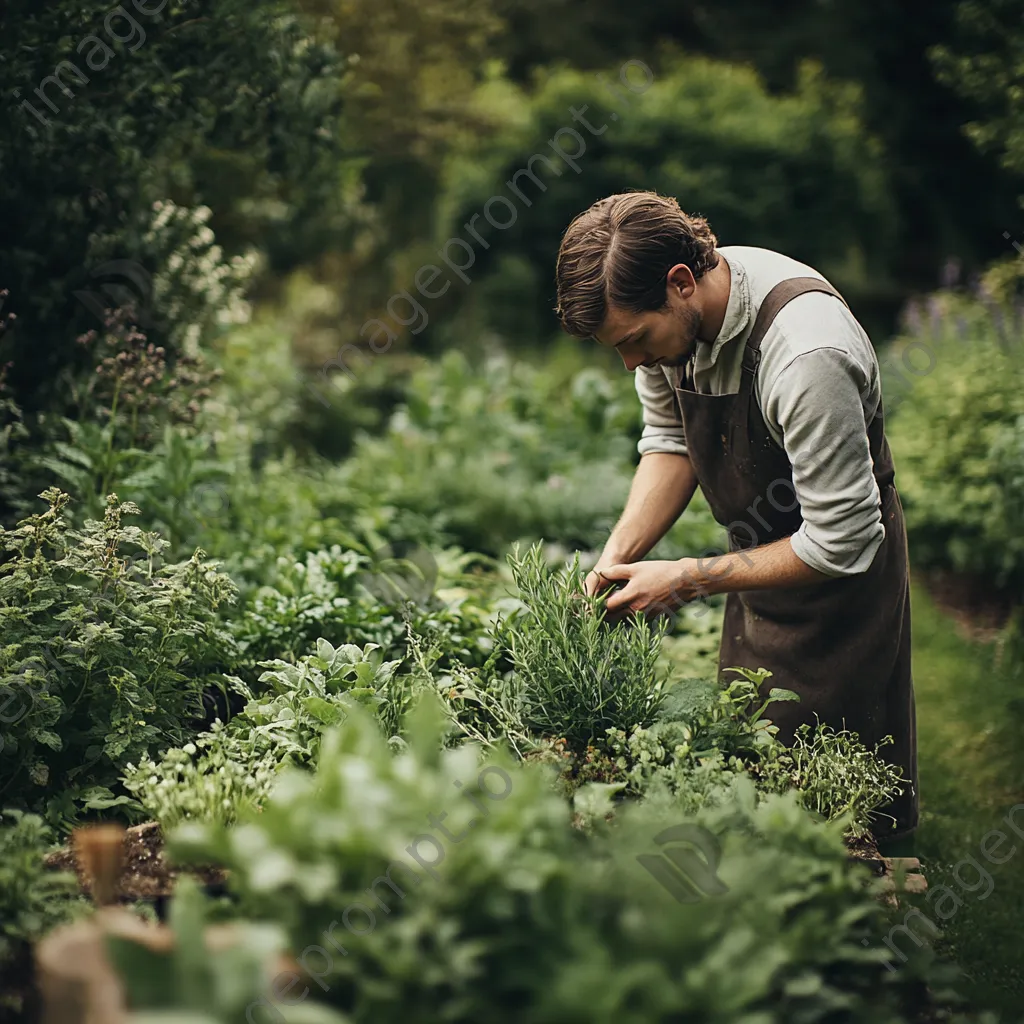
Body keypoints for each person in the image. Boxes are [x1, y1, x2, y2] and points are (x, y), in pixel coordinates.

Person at [555, 190, 917, 849]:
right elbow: (669, 441)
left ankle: (866, 904)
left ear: (681, 282)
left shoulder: (808, 357)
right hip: (760, 555)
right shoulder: (673, 331)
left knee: (842, 784)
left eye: (634, 340)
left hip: (843, 570)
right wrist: (619, 556)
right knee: (757, 752)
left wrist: (688, 577)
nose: (632, 364)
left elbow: (842, 540)